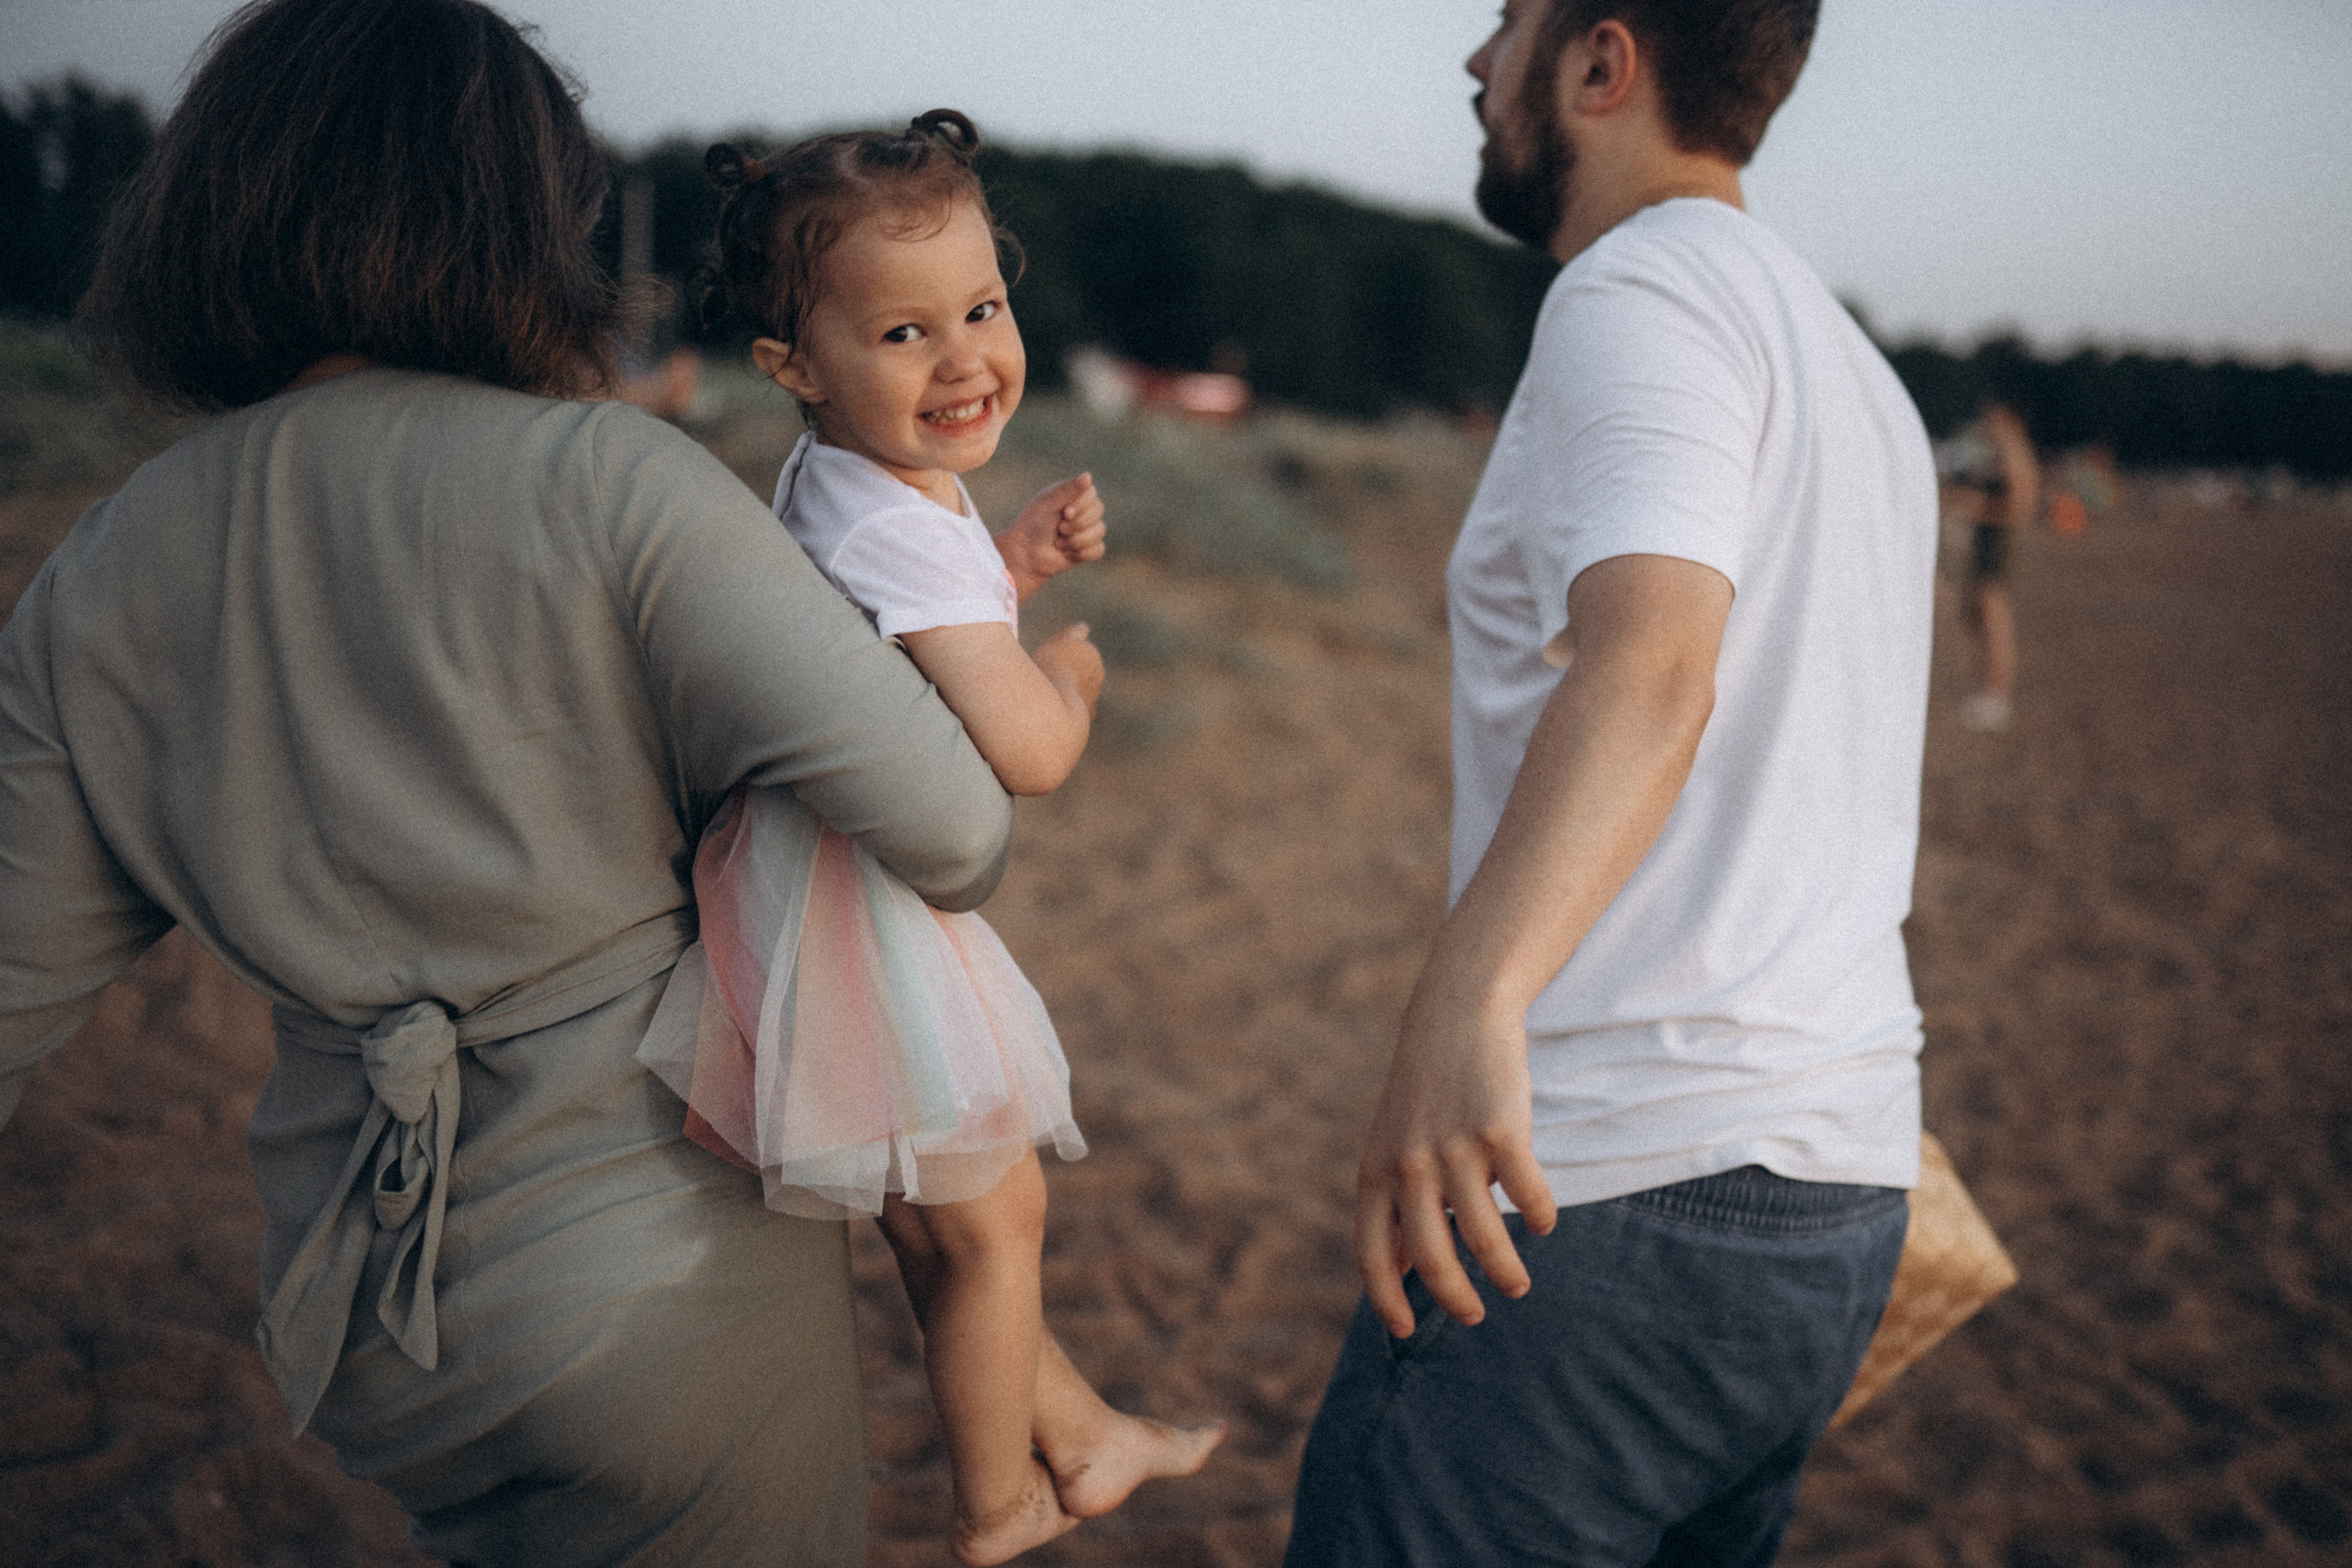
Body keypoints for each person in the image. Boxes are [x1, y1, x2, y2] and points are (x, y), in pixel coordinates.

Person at [0, 3, 1013, 1562]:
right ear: (519, 215)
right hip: (659, 1288)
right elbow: (955, 826)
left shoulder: (106, 559)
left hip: (369, 1332)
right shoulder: (610, 479)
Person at [1285, 4, 1938, 1564]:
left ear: (1600, 66)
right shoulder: (1854, 369)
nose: (1471, 62)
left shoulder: (1637, 290)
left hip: (1611, 1183)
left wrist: (1466, 999)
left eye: (1506, 24)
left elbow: (1653, 666)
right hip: (1839, 1195)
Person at [641, 113, 1222, 1566]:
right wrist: (1076, 675)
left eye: (983, 307)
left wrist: (1004, 561)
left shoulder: (868, 482)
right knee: (993, 1213)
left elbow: (895, 649)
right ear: (795, 369)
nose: (965, 357)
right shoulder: (897, 520)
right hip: (864, 905)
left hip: (802, 885)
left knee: (938, 1218)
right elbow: (1021, 749)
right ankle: (1000, 1501)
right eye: (905, 331)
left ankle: (1077, 1438)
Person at [1945, 400, 2041, 731]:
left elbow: (2018, 506)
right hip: (1991, 546)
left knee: (1993, 622)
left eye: (1997, 416)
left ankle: (1995, 696)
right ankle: (1986, 690)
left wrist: (1976, 507)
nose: (1989, 422)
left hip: (2000, 548)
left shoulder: (2014, 452)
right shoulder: (2005, 452)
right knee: (1980, 618)